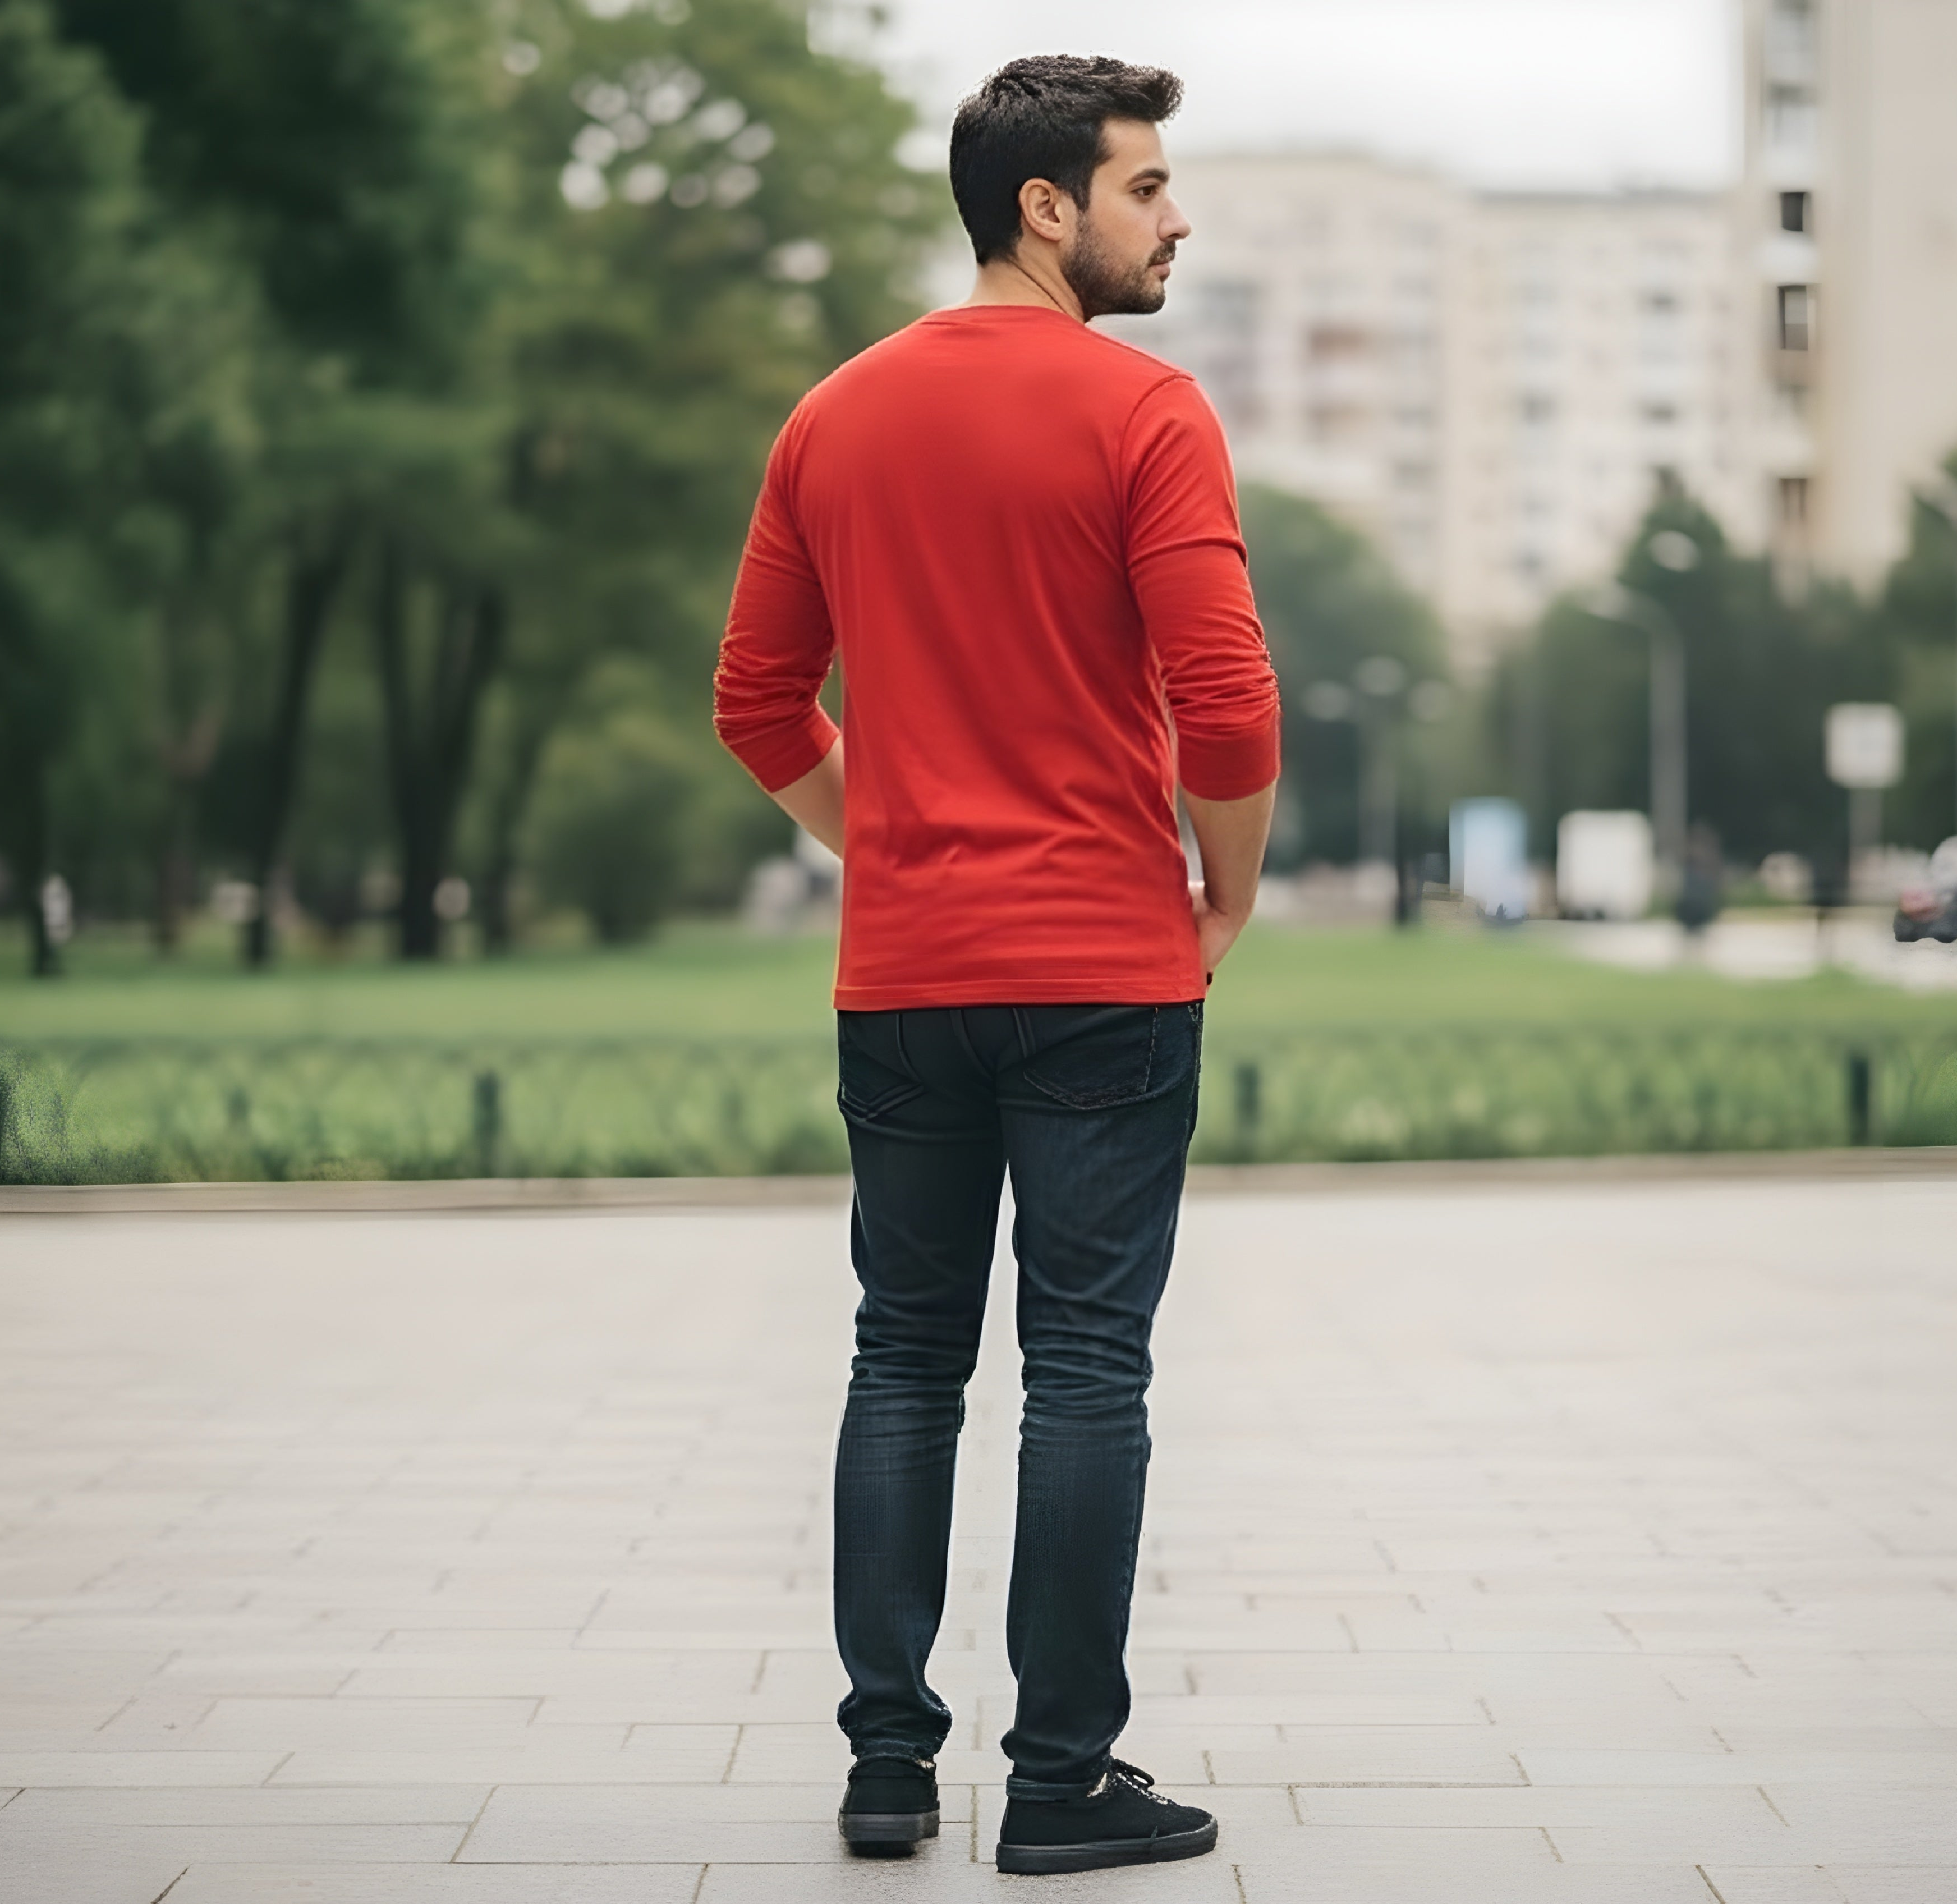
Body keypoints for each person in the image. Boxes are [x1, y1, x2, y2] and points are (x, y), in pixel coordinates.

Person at [713, 53, 1280, 1877]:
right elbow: (1230, 697)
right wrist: (1229, 889)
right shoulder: (1149, 412)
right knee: (1088, 1370)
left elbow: (754, 704)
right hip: (1105, 967)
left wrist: (880, 836)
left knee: (902, 1362)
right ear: (1046, 207)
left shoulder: (832, 419)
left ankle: (888, 1768)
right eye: (1147, 186)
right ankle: (1056, 1784)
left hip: (906, 977)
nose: (1176, 215)